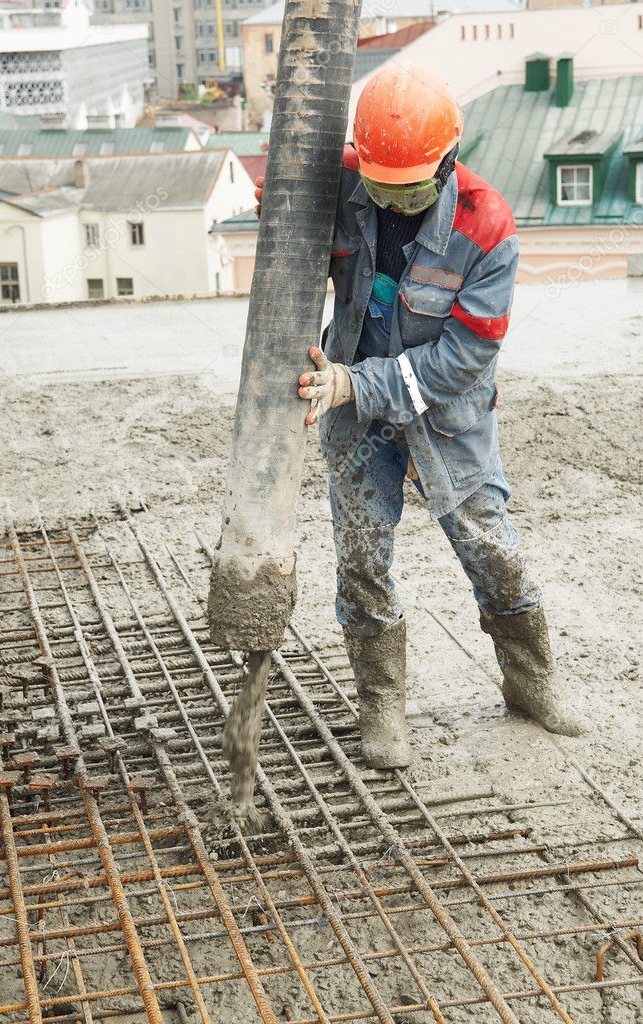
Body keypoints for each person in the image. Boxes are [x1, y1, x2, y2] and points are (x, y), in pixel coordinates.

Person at [256, 62, 586, 770]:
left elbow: (463, 359)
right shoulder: (348, 184)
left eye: (408, 192)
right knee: (363, 557)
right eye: (381, 190)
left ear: (447, 162)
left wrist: (357, 385)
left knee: (490, 547)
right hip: (354, 414)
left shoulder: (487, 226)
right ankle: (381, 704)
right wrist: (279, 205)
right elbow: (289, 232)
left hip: (445, 414)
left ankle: (531, 682)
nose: (395, 206)